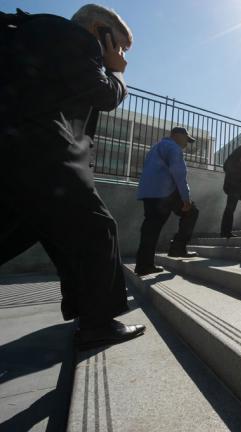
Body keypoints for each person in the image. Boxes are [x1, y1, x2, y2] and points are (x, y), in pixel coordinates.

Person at [0, 5, 144, 348]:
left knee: (37, 230)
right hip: (38, 151)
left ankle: (88, 313)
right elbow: (104, 94)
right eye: (120, 45)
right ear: (99, 30)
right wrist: (117, 72)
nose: (121, 55)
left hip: (16, 152)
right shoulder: (74, 39)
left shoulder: (35, 33)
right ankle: (97, 323)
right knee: (97, 228)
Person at [135, 127, 200, 274]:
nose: (186, 144)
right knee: (191, 212)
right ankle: (178, 248)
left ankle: (143, 265)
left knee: (150, 229)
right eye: (186, 139)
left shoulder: (155, 148)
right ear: (176, 135)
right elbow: (179, 174)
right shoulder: (173, 147)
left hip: (148, 193)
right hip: (165, 192)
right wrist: (186, 199)